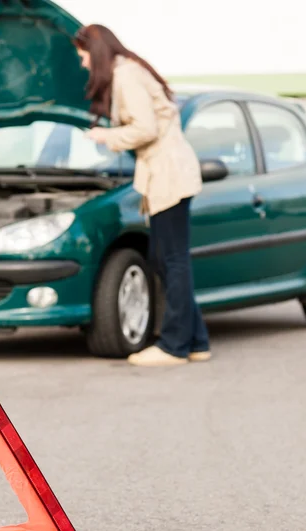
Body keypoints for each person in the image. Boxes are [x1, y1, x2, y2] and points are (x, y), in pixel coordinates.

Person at [73, 24, 211, 367]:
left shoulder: (127, 76)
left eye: (83, 56)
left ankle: (174, 346)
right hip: (166, 173)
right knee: (169, 259)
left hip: (168, 174)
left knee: (173, 261)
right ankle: (196, 341)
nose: (83, 64)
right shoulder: (129, 71)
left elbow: (145, 129)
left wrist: (107, 137)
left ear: (97, 51)